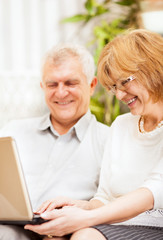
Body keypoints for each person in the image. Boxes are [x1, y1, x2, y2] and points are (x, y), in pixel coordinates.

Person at [25, 29, 163, 240]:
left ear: (152, 70)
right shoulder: (121, 126)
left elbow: (152, 193)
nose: (119, 94)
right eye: (114, 87)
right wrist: (80, 207)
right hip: (118, 225)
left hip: (156, 228)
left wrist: (87, 218)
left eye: (124, 82)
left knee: (85, 234)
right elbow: (105, 197)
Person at [0, 44, 110, 240]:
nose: (61, 93)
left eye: (70, 83)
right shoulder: (13, 131)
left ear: (92, 85)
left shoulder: (109, 141)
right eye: (52, 84)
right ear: (42, 87)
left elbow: (116, 205)